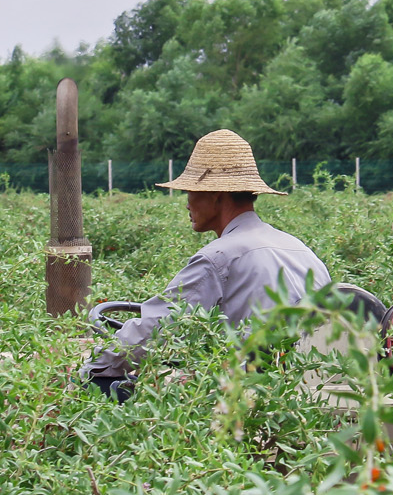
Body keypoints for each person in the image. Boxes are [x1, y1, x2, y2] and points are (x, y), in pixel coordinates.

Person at [81, 129, 332, 401]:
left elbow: (155, 328)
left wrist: (90, 369)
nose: (187, 203)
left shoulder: (219, 257)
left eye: (191, 191)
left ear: (216, 195)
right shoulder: (301, 250)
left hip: (251, 398)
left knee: (103, 389)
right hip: (311, 391)